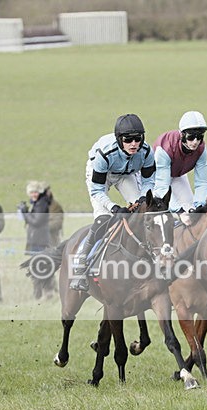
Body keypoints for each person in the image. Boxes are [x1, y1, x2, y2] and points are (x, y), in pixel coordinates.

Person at [69, 113, 156, 291]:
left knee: (143, 211)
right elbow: (97, 190)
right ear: (119, 139)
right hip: (101, 175)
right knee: (102, 218)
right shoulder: (105, 153)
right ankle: (81, 263)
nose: (133, 144)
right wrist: (114, 208)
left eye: (137, 139)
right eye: (128, 140)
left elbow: (149, 181)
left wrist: (141, 197)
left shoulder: (146, 152)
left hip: (126, 175)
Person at [151, 111, 207, 216]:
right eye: (191, 137)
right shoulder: (165, 148)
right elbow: (162, 189)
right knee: (172, 213)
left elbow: (202, 182)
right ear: (182, 135)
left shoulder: (202, 149)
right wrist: (177, 210)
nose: (195, 142)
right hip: (156, 178)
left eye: (199, 137)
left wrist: (199, 205)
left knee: (190, 210)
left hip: (178, 175)